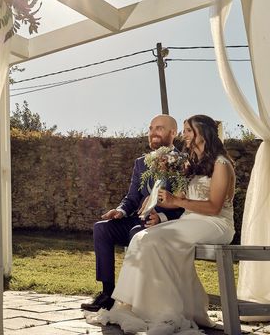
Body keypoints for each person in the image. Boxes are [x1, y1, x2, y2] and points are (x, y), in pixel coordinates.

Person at [95, 114, 236, 333]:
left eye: (189, 130)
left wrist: (175, 201)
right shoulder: (191, 164)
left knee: (153, 238)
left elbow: (214, 207)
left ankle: (167, 310)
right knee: (142, 238)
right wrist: (155, 198)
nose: (185, 135)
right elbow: (174, 199)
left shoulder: (221, 164)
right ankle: (136, 305)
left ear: (203, 133)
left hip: (215, 223)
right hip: (189, 221)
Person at [81, 114, 184, 312]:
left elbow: (185, 203)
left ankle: (134, 296)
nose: (153, 132)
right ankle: (108, 293)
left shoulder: (184, 162)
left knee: (136, 232)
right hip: (138, 218)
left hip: (164, 224)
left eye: (159, 128)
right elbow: (132, 198)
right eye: (151, 128)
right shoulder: (141, 163)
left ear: (174, 133)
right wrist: (120, 211)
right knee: (102, 229)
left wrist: (162, 217)